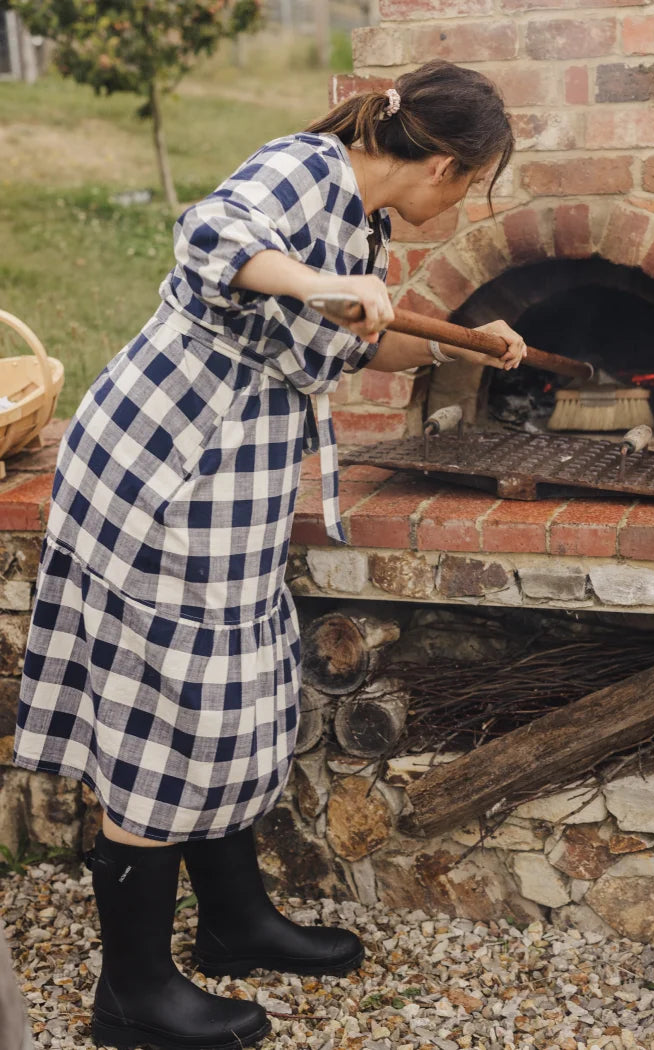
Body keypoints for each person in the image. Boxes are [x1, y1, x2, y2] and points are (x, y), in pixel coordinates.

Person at [13, 59, 522, 1050]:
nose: (462, 202)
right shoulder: (302, 170)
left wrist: (465, 341)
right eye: (471, 183)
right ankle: (131, 994)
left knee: (236, 705)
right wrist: (325, 281)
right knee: (171, 720)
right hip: (164, 474)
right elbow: (213, 233)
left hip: (228, 488)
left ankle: (235, 923)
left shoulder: (360, 221)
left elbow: (362, 341)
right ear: (445, 164)